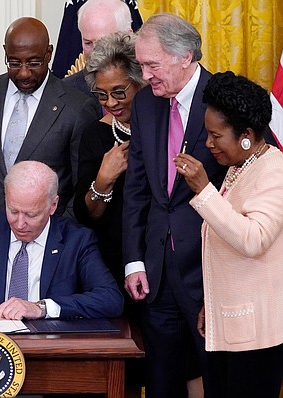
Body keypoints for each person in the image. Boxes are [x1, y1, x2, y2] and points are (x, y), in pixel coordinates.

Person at [122, 14, 227, 398]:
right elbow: (136, 189)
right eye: (141, 64)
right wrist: (134, 259)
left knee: (218, 378)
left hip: (209, 270)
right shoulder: (146, 104)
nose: (145, 75)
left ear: (185, 57)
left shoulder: (223, 97)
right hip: (156, 273)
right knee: (162, 380)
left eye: (152, 64)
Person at [175, 71, 283, 398]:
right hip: (229, 326)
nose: (209, 144)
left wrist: (203, 190)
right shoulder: (241, 166)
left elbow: (253, 238)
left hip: (257, 336)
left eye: (215, 136)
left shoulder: (273, 169)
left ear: (246, 135)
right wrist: (212, 304)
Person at [0, 160, 123, 320]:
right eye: (13, 210)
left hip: (51, 352)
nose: (19, 223)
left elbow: (111, 300)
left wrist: (41, 308)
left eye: (31, 214)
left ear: (53, 205)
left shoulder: (76, 240)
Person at [0, 17, 98, 217]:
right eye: (14, 62)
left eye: (33, 62)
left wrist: (61, 234)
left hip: (49, 237)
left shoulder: (77, 107)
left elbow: (81, 187)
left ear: (48, 53)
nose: (23, 73)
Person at [74, 32, 146, 298]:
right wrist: (104, 179)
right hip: (111, 264)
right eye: (102, 94)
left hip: (159, 259)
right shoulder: (95, 135)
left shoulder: (162, 130)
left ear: (141, 83)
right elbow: (87, 215)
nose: (111, 103)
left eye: (119, 92)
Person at [64, 0, 133, 118]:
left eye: (103, 42)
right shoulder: (67, 92)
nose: (95, 52)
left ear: (127, 37)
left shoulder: (150, 85)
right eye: (88, 43)